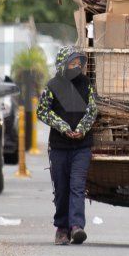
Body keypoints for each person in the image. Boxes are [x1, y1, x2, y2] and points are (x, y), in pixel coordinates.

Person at [36, 46, 98, 245]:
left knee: (77, 187)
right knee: (62, 189)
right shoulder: (53, 85)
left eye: (79, 63)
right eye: (72, 63)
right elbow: (42, 111)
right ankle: (62, 228)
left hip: (82, 146)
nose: (76, 66)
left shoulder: (86, 84)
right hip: (59, 147)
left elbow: (92, 109)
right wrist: (63, 127)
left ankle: (76, 227)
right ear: (62, 65)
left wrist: (81, 129)